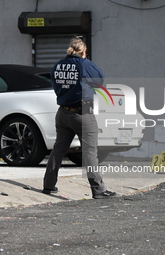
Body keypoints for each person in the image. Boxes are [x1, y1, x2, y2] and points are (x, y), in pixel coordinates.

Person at [43, 37, 116, 199]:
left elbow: (55, 84)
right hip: (82, 114)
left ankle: (48, 185)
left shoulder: (58, 65)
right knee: (90, 152)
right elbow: (100, 80)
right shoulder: (84, 64)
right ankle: (99, 190)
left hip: (62, 113)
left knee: (58, 151)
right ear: (83, 52)